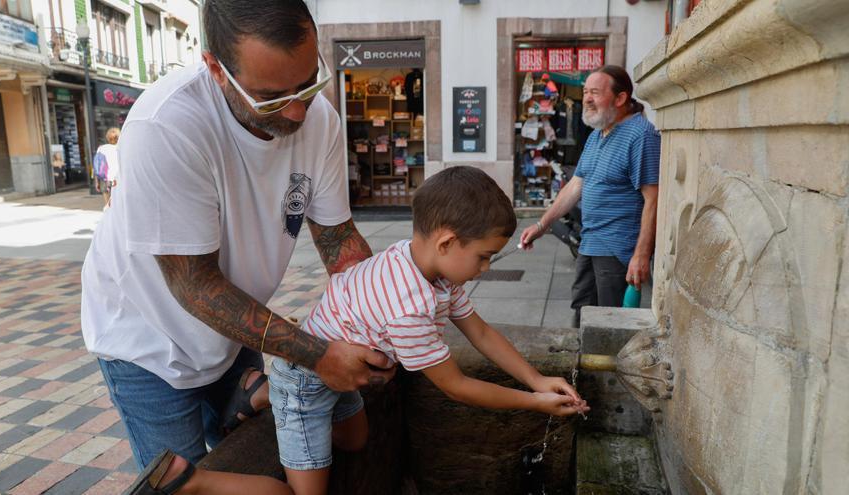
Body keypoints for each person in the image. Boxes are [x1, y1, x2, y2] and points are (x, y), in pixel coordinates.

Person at [125, 166, 590, 495]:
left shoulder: (426, 264)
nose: (486, 268)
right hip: (308, 378)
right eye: (484, 256)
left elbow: (481, 331)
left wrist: (534, 377)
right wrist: (533, 403)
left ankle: (259, 392)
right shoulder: (409, 305)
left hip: (340, 364)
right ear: (447, 241)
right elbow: (457, 386)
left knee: (356, 440)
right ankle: (193, 480)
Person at [80, 0, 395, 481]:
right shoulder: (167, 126)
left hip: (232, 331)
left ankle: (249, 392)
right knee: (187, 482)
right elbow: (196, 286)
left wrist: (382, 319)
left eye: (310, 83)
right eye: (271, 97)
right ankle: (247, 396)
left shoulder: (321, 120)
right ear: (215, 68)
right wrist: (318, 355)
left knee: (249, 458)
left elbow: (336, 237)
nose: (296, 111)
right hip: (148, 343)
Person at [520, 65, 660, 327]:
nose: (586, 98)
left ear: (620, 98)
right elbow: (575, 185)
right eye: (586, 92)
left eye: (595, 92)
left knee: (611, 322)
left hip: (617, 249)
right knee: (582, 313)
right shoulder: (597, 134)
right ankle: (580, 368)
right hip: (589, 241)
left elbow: (653, 199)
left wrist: (641, 255)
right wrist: (542, 225)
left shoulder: (642, 135)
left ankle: (606, 370)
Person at [93, 127, 120, 208]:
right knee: (119, 206)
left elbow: (97, 166)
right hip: (118, 179)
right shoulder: (121, 148)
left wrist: (96, 181)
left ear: (108, 138)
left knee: (108, 206)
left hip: (105, 180)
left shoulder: (101, 148)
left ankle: (109, 218)